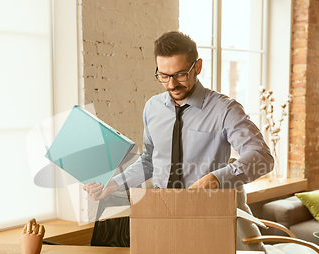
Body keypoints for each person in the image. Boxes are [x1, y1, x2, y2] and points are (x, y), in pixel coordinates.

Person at [84, 31, 273, 201]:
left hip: (207, 210)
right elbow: (150, 161)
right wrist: (114, 184)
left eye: (180, 74)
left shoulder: (225, 110)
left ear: (197, 67)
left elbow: (262, 157)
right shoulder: (152, 107)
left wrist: (216, 178)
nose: (172, 84)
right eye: (164, 76)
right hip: (160, 207)